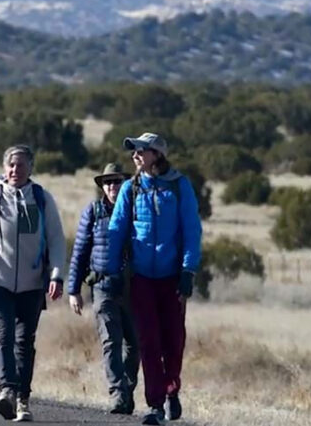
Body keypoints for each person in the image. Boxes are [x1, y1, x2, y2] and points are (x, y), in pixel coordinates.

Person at [97, 133, 202, 426]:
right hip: (141, 277)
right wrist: (114, 271)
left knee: (174, 340)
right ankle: (155, 404)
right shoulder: (131, 189)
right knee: (148, 341)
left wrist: (188, 271)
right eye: (134, 151)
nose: (135, 156)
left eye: (141, 150)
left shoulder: (180, 187)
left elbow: (192, 231)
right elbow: (117, 231)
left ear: (156, 154)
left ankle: (172, 390)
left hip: (172, 278)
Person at [0, 144, 67, 422]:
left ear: (31, 167)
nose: (14, 170)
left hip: (33, 285)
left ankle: (23, 399)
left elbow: (57, 240)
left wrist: (56, 275)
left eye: (20, 165)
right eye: (10, 164)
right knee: (4, 335)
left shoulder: (42, 199)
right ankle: (6, 390)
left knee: (24, 343)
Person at [67, 162, 140, 415]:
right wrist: (73, 289)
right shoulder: (94, 212)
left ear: (125, 184)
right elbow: (80, 251)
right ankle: (118, 394)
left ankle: (128, 390)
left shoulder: (136, 211)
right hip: (103, 287)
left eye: (117, 181)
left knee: (135, 344)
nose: (112, 186)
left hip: (134, 288)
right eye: (107, 182)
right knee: (111, 342)